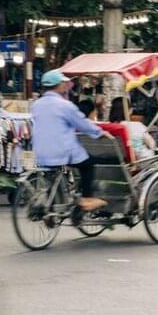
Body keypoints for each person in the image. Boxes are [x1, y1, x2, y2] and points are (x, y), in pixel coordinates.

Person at [31, 70, 108, 212]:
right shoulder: (64, 105)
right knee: (88, 165)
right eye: (63, 83)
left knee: (53, 174)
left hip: (41, 152)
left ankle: (53, 206)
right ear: (59, 85)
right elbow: (82, 123)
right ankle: (86, 199)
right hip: (62, 151)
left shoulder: (36, 104)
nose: (65, 85)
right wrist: (99, 132)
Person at [77, 98, 134, 162]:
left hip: (86, 161)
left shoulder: (74, 128)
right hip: (115, 161)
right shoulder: (117, 128)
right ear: (92, 112)